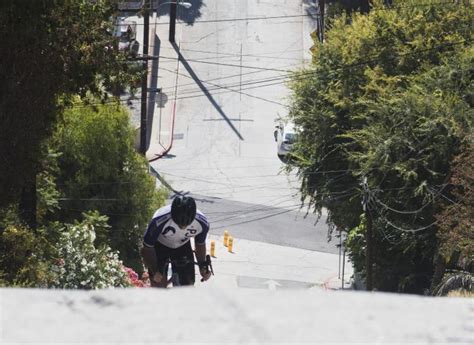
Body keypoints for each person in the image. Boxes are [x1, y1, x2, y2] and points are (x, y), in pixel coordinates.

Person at [141, 195, 212, 287]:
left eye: (187, 224)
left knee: (187, 284)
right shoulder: (158, 221)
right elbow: (147, 248)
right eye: (178, 223)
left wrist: (202, 266)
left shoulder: (202, 223)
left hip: (182, 246)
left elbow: (200, 244)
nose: (182, 227)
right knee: (158, 283)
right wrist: (155, 271)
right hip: (159, 245)